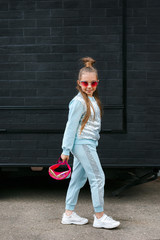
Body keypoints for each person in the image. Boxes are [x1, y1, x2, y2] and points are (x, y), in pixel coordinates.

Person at [60, 57, 120, 229]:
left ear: (97, 83)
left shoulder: (93, 100)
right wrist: (65, 150)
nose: (89, 87)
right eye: (85, 83)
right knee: (98, 177)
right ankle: (99, 216)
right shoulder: (78, 102)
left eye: (93, 84)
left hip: (88, 144)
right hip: (82, 144)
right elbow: (70, 127)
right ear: (79, 83)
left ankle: (68, 214)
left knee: (78, 179)